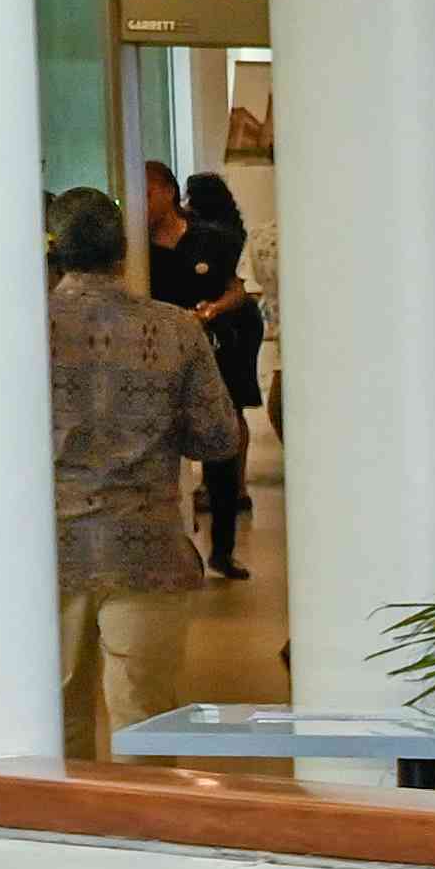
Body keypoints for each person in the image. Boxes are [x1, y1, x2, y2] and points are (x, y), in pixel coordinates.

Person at [42, 186, 239, 754]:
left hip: (50, 554)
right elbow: (219, 439)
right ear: (123, 251)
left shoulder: (20, 333)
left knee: (56, 726)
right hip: (146, 548)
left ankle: (60, 841)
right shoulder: (176, 329)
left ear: (55, 252)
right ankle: (147, 839)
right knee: (145, 721)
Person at [156, 165, 263, 577]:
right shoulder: (137, 249)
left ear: (169, 192)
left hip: (214, 348)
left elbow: (238, 288)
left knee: (222, 433)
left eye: (149, 193)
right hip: (160, 356)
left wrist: (213, 310)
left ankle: (223, 545)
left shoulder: (212, 239)